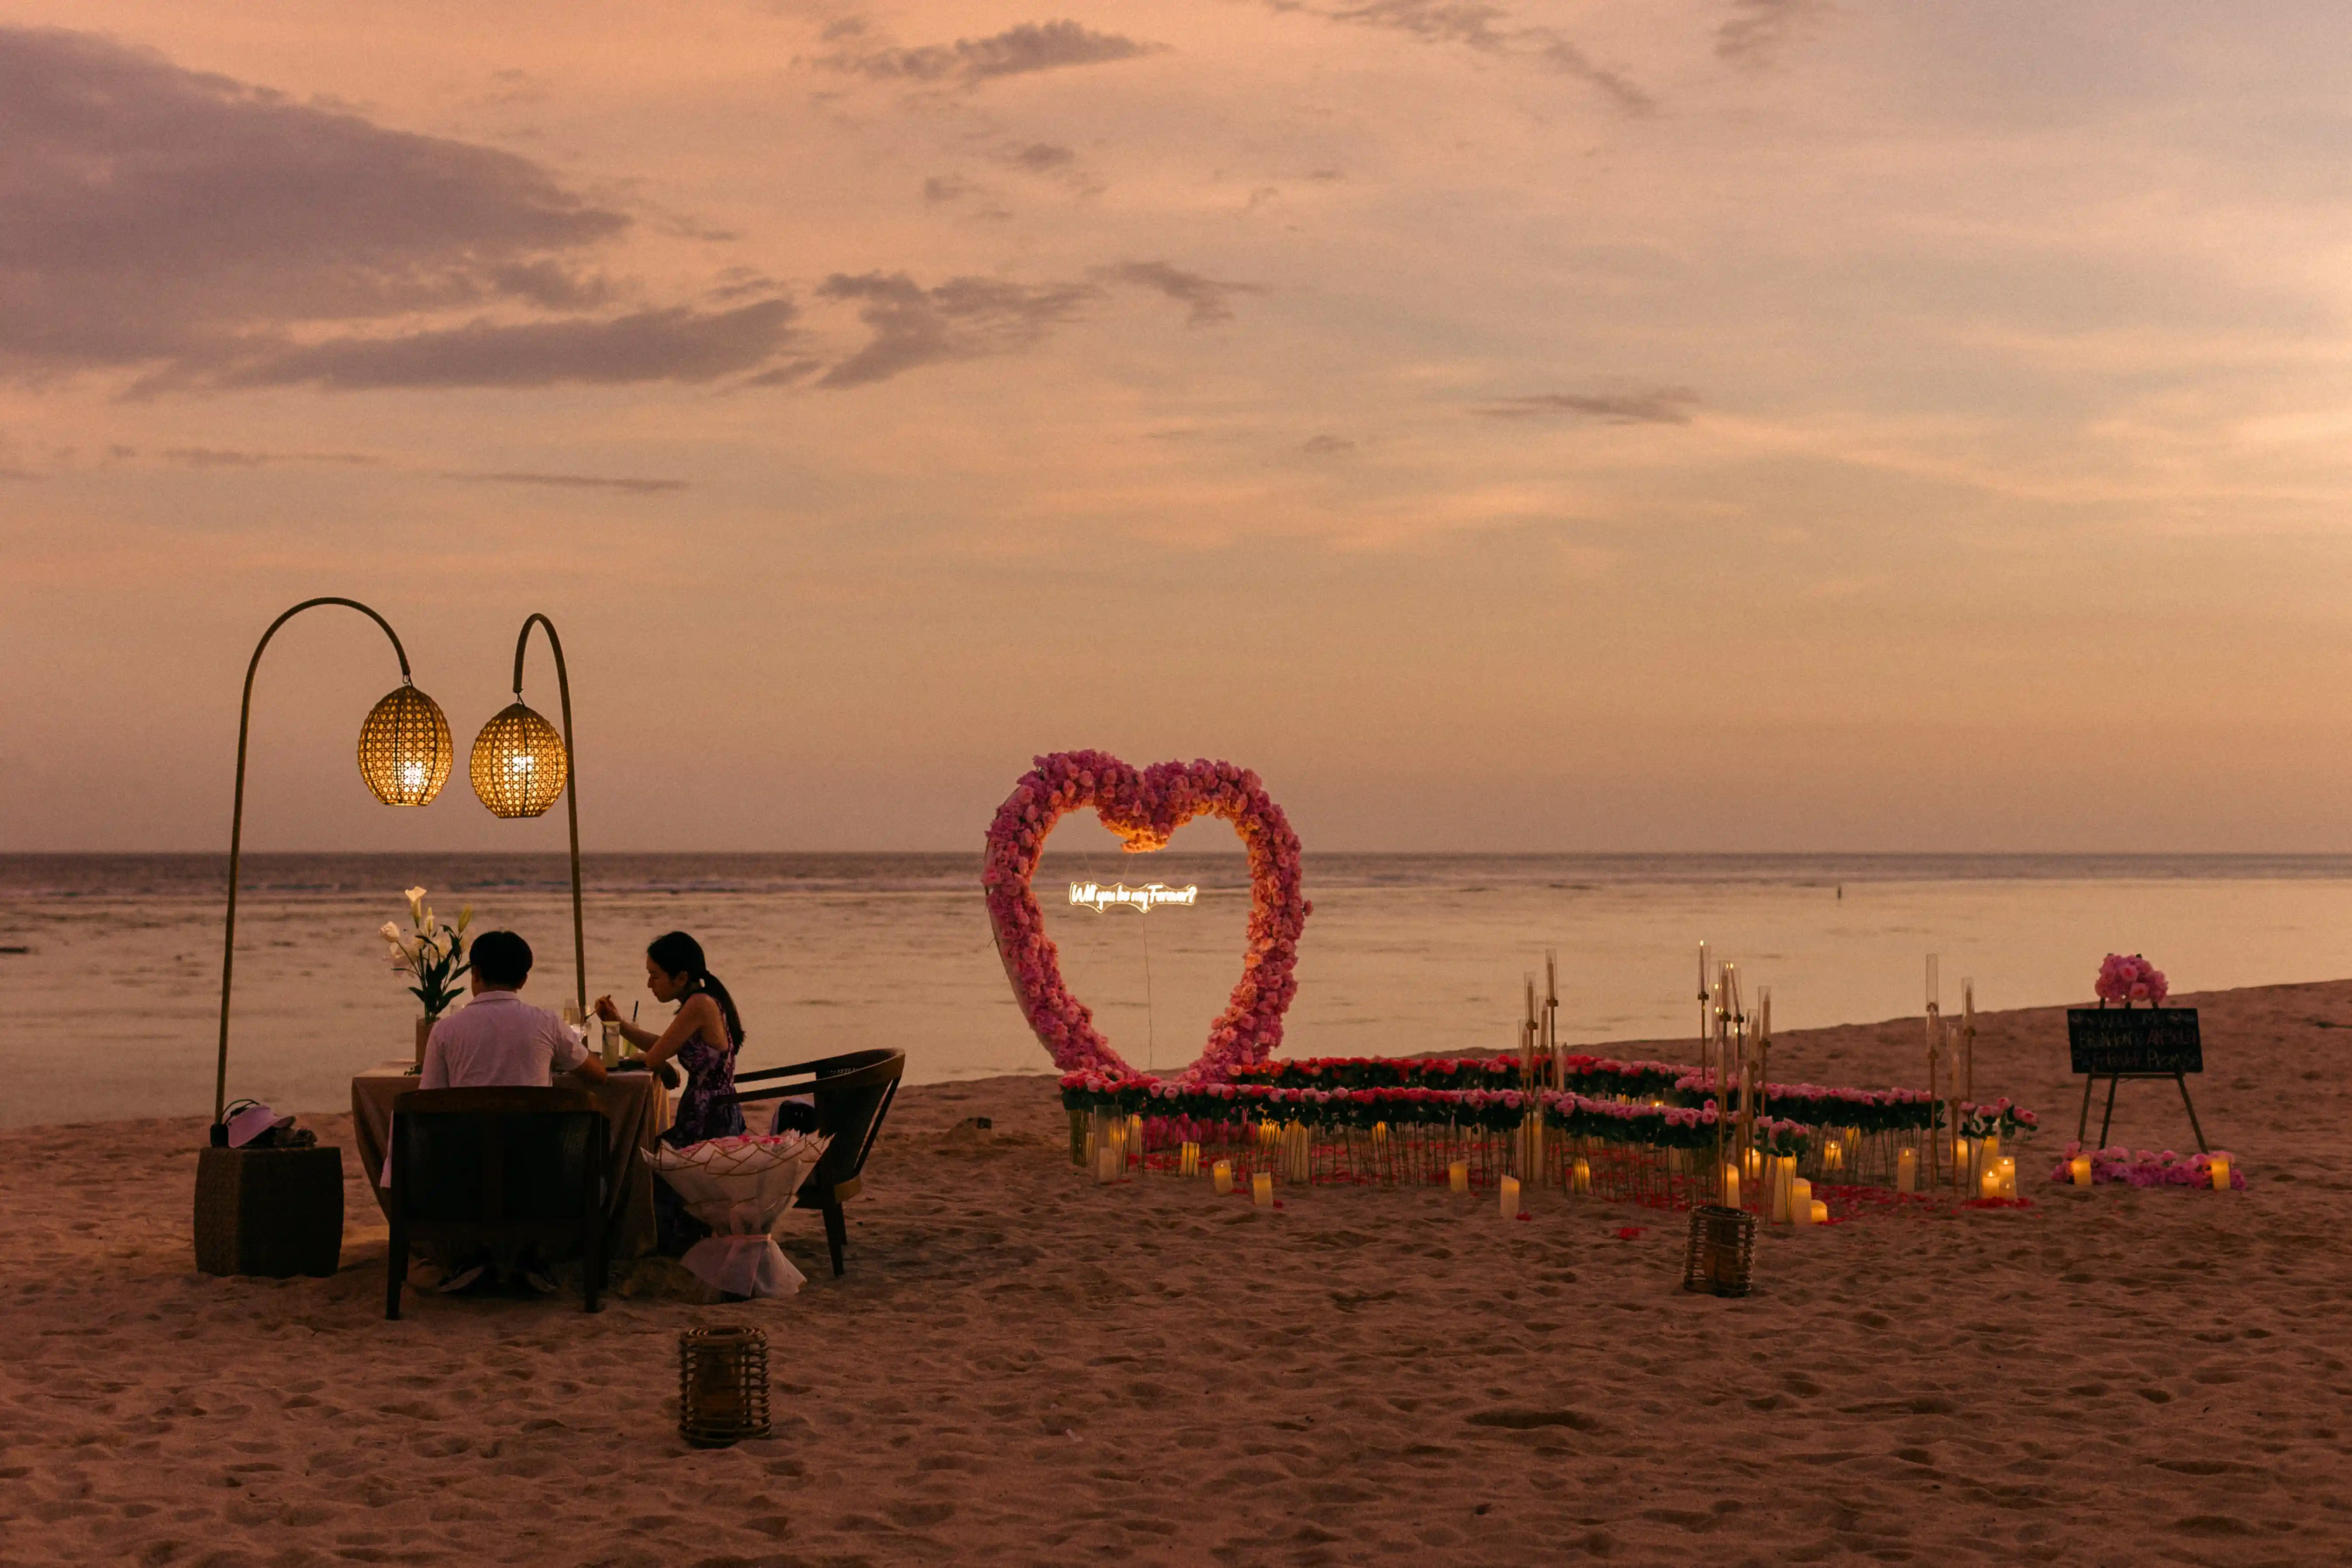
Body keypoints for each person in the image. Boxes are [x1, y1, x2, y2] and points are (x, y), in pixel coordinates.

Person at [418, 929, 604, 1293]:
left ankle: (473, 1257)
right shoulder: (546, 1023)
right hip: (542, 1183)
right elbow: (596, 1074)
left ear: (474, 974)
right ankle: (532, 1257)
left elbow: (428, 1107)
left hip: (463, 1182)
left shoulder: (445, 1031)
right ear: (523, 979)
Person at [594, 931, 748, 1253]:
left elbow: (654, 1056)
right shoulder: (699, 1002)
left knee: (646, 1163)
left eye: (655, 976)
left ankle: (664, 1244)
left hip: (710, 1122)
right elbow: (664, 1046)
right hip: (708, 1112)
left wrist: (653, 1062)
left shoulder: (699, 1005)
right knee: (651, 1158)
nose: (650, 984)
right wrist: (619, 1025)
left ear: (681, 977)